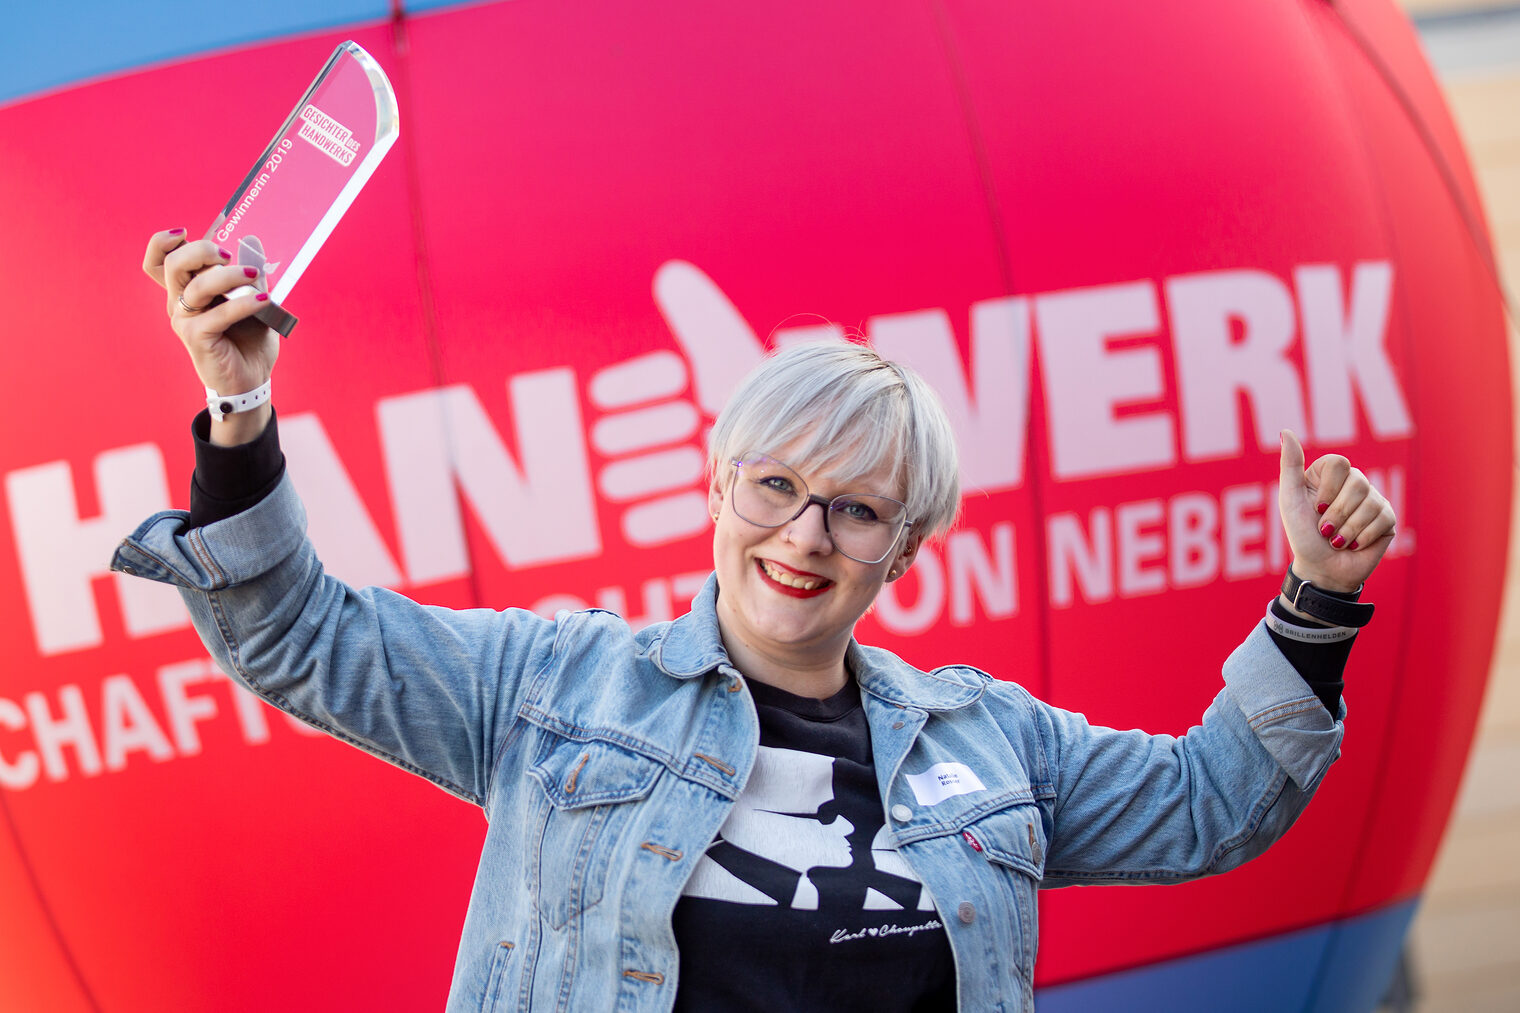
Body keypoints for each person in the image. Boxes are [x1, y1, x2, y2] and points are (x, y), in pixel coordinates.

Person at [120, 231, 1396, 1012]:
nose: (801, 536)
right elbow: (297, 634)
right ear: (716, 482)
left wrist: (1316, 598)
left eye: (853, 510)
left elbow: (1209, 803)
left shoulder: (991, 743)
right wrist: (240, 410)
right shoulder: (551, 686)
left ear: (902, 548)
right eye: (775, 486)